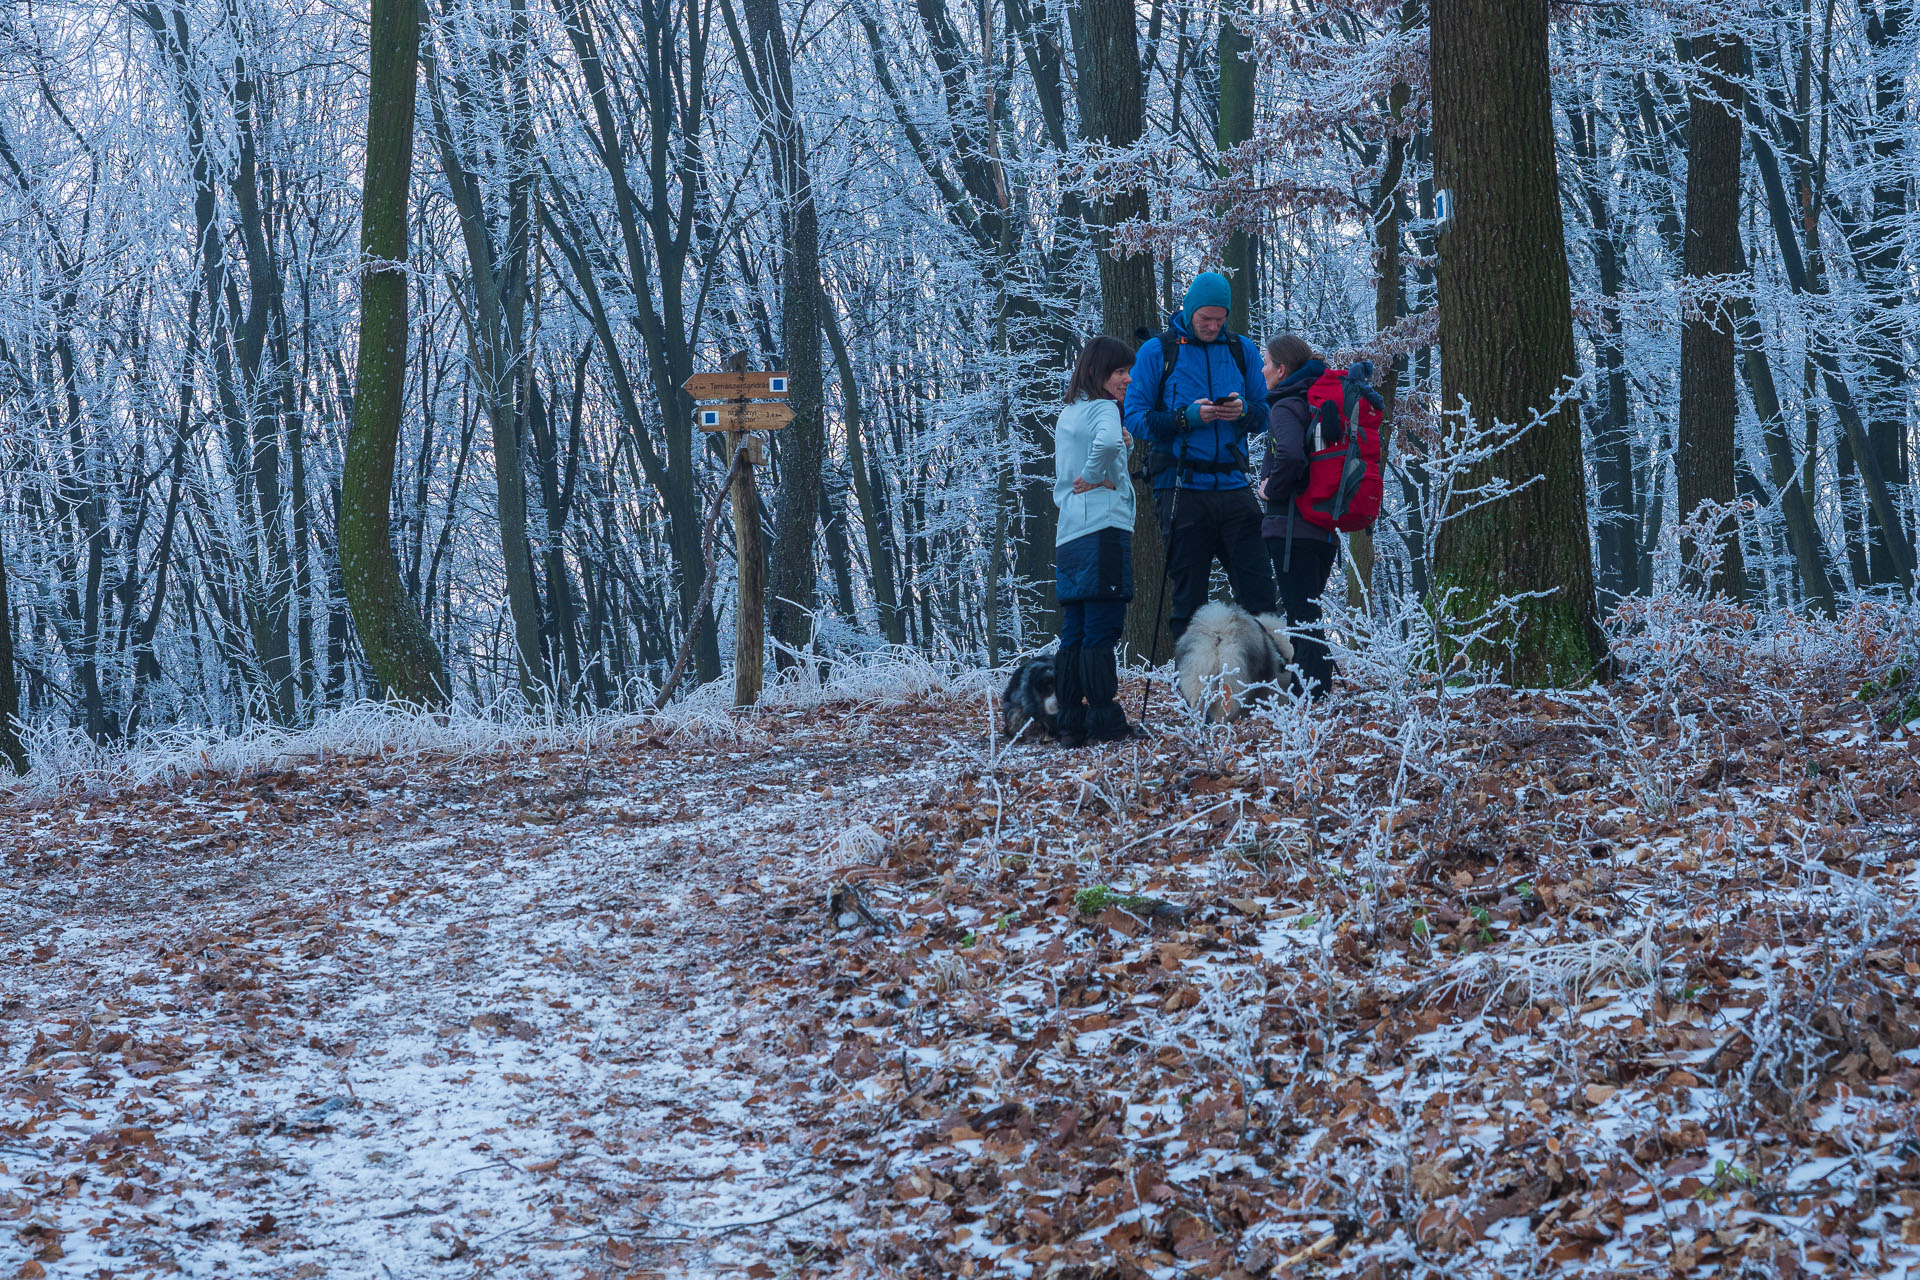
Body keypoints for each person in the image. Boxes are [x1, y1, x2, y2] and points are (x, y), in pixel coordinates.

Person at [1122, 272, 1276, 644]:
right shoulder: (1158, 352)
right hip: (1179, 488)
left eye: (1219, 319)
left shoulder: (1243, 351)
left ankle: (1267, 684)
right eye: (1205, 318)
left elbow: (1266, 413)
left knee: (1260, 592)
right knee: (1189, 598)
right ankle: (1194, 690)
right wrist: (1183, 418)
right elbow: (1134, 418)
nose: (1212, 326)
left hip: (1234, 486)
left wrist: (1241, 412)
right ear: (1189, 311)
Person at [1053, 336, 1139, 746]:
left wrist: (1124, 444)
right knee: (1102, 628)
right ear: (1096, 373)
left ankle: (1070, 722)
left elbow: (1107, 442)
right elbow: (1103, 443)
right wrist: (1094, 473)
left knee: (1075, 629)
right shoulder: (1104, 407)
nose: (1127, 378)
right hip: (1103, 530)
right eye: (1120, 371)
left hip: (1069, 535)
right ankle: (1106, 723)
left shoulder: (1069, 413)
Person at [1257, 334, 1337, 697]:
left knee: (1302, 621)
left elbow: (1289, 456)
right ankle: (1316, 696)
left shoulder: (1286, 406)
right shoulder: (1320, 402)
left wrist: (1270, 489)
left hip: (1291, 530)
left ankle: (1309, 700)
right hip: (1322, 529)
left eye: (1267, 363)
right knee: (1310, 617)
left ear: (1282, 369)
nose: (1263, 369)